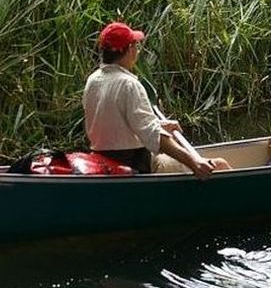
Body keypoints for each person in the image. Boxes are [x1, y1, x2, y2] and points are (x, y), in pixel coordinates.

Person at [83, 21, 229, 178]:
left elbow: (114, 125)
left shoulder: (93, 80)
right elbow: (154, 136)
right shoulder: (129, 84)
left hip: (105, 160)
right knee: (220, 164)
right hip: (134, 164)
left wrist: (158, 124)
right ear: (130, 49)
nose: (137, 50)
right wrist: (194, 162)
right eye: (136, 46)